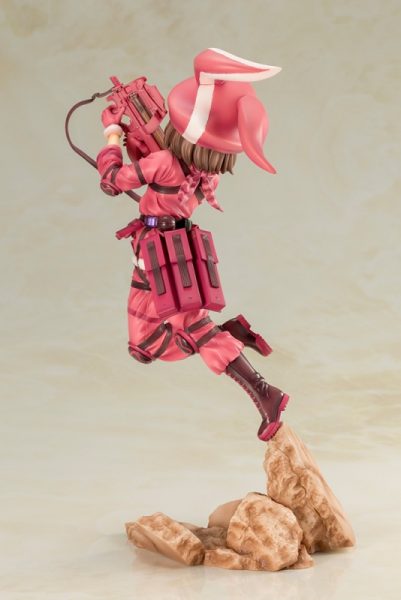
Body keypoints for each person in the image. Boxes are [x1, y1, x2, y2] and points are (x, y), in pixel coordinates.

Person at [96, 48, 289, 441]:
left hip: (156, 254)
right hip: (181, 245)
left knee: (174, 332)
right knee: (149, 341)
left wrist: (112, 132)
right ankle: (229, 335)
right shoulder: (206, 173)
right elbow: (170, 168)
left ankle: (260, 387)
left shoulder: (163, 164)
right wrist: (141, 137)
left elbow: (112, 181)